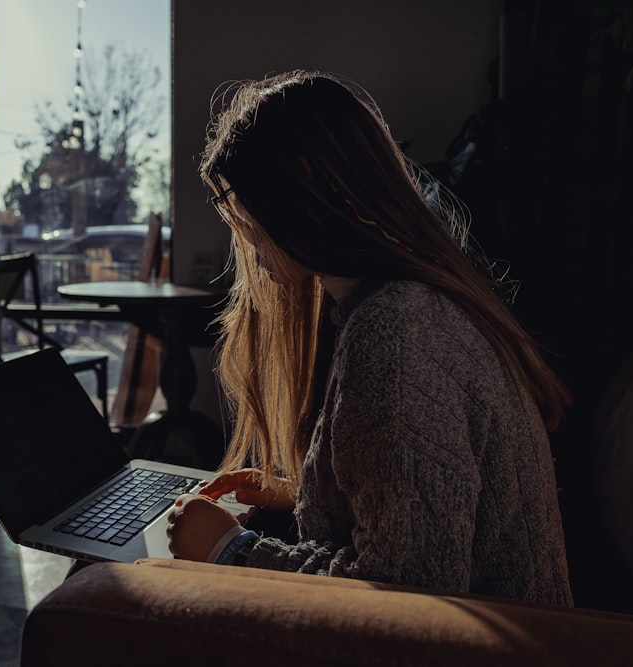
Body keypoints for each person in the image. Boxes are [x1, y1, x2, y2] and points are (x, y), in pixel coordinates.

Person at [165, 69, 574, 606]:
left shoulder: (396, 335)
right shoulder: (405, 305)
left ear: (302, 189)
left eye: (241, 202)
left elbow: (407, 595)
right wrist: (306, 494)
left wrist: (230, 549)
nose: (241, 229)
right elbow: (423, 506)